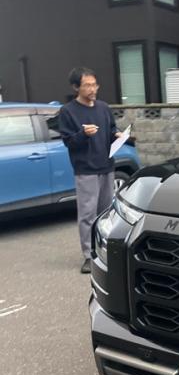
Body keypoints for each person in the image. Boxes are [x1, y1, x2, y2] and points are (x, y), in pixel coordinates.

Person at [58, 67, 122, 274]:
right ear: (76, 87)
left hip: (107, 166)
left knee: (107, 212)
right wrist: (83, 134)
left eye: (95, 84)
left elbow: (111, 130)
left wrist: (118, 134)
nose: (92, 89)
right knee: (87, 214)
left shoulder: (103, 107)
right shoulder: (68, 111)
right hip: (86, 169)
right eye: (87, 85)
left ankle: (105, 250)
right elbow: (68, 141)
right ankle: (88, 255)